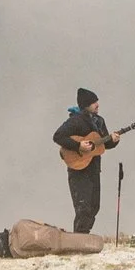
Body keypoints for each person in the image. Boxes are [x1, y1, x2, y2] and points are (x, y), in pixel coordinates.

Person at [52, 88, 121, 234]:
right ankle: (79, 238)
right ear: (85, 105)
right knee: (82, 207)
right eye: (93, 102)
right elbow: (58, 136)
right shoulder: (75, 120)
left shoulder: (99, 121)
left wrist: (113, 140)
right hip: (78, 169)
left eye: (97, 101)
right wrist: (78, 145)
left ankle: (84, 236)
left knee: (94, 206)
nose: (97, 104)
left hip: (94, 168)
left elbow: (103, 145)